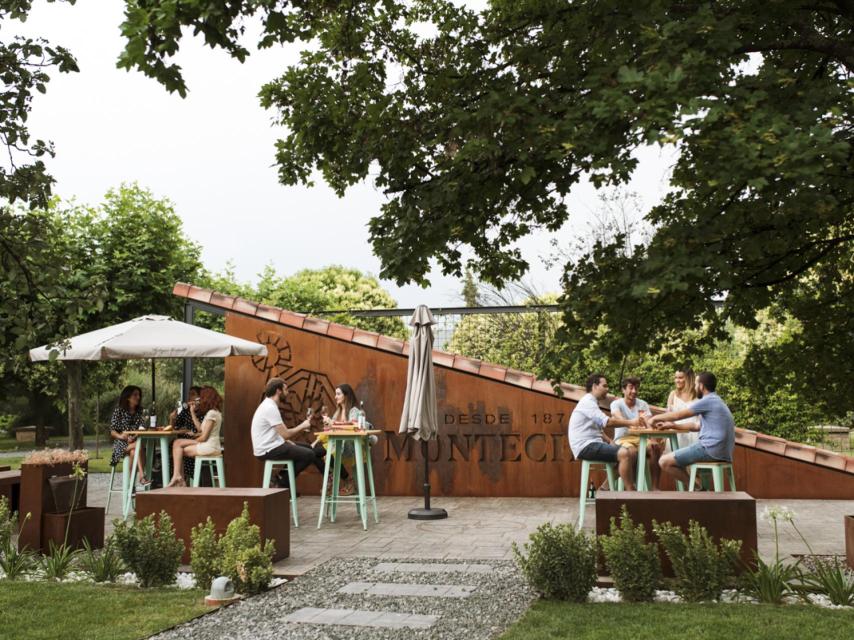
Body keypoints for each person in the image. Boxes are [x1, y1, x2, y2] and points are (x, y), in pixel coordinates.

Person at [649, 371, 735, 488]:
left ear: (701, 386)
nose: (694, 387)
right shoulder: (717, 401)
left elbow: (678, 415)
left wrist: (654, 418)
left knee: (664, 461)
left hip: (709, 449)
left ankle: (696, 487)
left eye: (696, 384)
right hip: (724, 452)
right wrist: (673, 426)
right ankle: (697, 487)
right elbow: (696, 426)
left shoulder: (707, 401)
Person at [568, 373, 642, 491]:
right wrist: (631, 422)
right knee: (624, 453)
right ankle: (631, 491)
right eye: (605, 386)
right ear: (594, 386)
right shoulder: (588, 402)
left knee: (630, 453)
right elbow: (607, 422)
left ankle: (605, 488)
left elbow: (598, 429)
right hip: (585, 446)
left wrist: (609, 441)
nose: (607, 389)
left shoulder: (592, 402)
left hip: (592, 444)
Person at [251, 377, 325, 490]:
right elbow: (285, 434)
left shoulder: (268, 404)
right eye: (286, 389)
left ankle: (280, 478)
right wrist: (302, 426)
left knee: (309, 448)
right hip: (267, 449)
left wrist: (286, 441)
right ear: (278, 391)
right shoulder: (270, 408)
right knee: (309, 454)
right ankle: (282, 484)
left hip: (270, 445)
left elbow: (276, 433)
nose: (288, 392)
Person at [315, 383, 372, 496]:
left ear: (346, 395)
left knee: (314, 453)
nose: (335, 396)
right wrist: (328, 426)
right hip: (337, 443)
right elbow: (333, 430)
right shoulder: (338, 411)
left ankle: (336, 478)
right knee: (312, 453)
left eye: (338, 394)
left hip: (350, 446)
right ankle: (339, 477)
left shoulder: (354, 410)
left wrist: (333, 423)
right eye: (335, 394)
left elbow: (353, 427)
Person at [610, 377, 663, 490]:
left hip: (641, 438)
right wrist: (630, 424)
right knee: (632, 452)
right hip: (623, 438)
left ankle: (655, 487)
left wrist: (653, 439)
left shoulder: (642, 404)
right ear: (623, 390)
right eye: (631, 388)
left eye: (636, 388)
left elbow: (648, 422)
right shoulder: (616, 404)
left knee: (655, 448)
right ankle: (632, 488)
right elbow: (617, 416)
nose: (634, 391)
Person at [167, 386, 223, 487]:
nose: (199, 401)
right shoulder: (213, 412)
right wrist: (192, 412)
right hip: (209, 444)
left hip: (209, 446)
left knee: (177, 445)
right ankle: (178, 477)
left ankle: (178, 478)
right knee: (177, 447)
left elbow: (204, 437)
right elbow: (200, 429)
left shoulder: (212, 413)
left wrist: (194, 439)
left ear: (207, 398)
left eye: (201, 398)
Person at [109, 385, 149, 485]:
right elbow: (112, 431)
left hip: (134, 443)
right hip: (121, 444)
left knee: (134, 451)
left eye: (139, 395)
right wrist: (121, 436)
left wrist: (135, 436)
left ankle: (131, 487)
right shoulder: (119, 411)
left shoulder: (140, 411)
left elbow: (142, 428)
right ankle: (142, 476)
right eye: (135, 395)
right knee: (139, 446)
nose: (138, 397)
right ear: (127, 397)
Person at [169, 385, 202, 480]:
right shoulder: (185, 411)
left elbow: (202, 430)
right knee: (172, 444)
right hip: (184, 439)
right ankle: (179, 477)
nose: (189, 397)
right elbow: (174, 427)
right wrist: (172, 419)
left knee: (179, 446)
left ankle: (184, 478)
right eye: (189, 394)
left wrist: (194, 434)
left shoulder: (204, 412)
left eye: (193, 394)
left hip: (197, 440)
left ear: (199, 398)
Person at [667, 368, 700, 448]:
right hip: (675, 433)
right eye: (676, 378)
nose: (677, 380)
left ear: (689, 379)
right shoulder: (673, 394)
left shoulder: (698, 395)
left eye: (680, 378)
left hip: (693, 433)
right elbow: (668, 417)